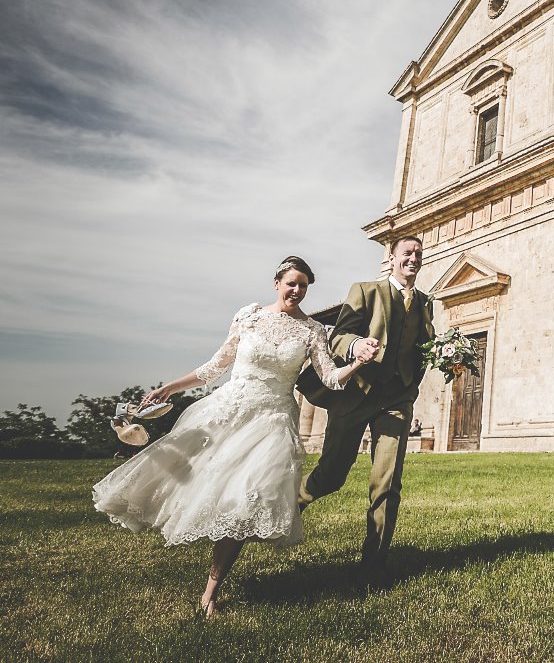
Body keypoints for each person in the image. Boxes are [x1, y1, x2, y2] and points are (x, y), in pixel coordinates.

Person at [92, 256, 377, 618]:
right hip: (229, 410)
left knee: (244, 504)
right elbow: (215, 366)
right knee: (184, 480)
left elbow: (331, 379)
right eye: (291, 282)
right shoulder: (249, 316)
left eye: (304, 285)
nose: (297, 290)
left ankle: (211, 591)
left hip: (272, 422)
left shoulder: (312, 331)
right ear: (277, 282)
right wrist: (172, 387)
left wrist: (359, 362)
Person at [298, 235, 434, 589]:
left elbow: (426, 346)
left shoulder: (425, 302)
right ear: (391, 259)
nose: (413, 259)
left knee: (386, 482)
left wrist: (448, 358)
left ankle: (374, 562)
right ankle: (290, 510)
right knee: (331, 476)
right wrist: (358, 345)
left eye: (418, 254)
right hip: (357, 395)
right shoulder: (365, 291)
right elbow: (339, 338)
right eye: (407, 253)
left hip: (397, 400)